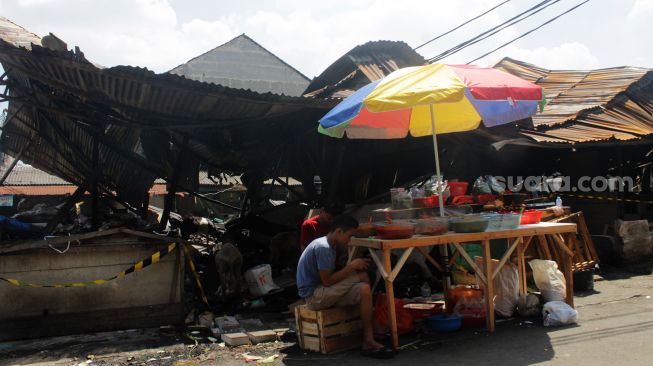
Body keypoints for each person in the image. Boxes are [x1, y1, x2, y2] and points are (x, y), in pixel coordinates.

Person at [296, 214, 394, 359]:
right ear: (339, 232)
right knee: (362, 277)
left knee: (363, 289)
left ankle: (368, 339)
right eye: (349, 236)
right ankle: (372, 327)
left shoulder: (329, 244)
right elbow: (328, 281)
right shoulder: (324, 247)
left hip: (323, 292)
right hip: (314, 297)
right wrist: (351, 267)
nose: (349, 241)